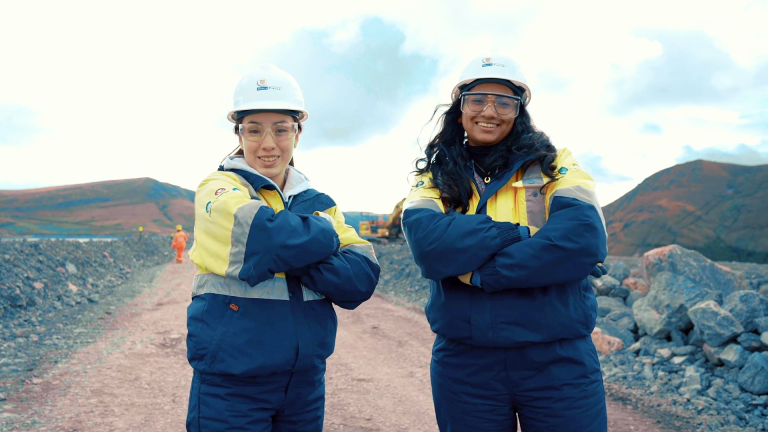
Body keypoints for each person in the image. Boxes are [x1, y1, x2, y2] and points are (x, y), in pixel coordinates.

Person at [403, 55, 610, 432]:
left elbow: (582, 240)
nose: (489, 111)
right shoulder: (435, 176)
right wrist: (517, 234)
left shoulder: (555, 165)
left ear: (519, 111)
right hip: (466, 366)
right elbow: (429, 246)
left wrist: (484, 273)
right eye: (477, 100)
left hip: (558, 362)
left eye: (504, 102)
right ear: (460, 108)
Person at [185, 64, 380, 432]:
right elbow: (264, 238)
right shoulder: (218, 189)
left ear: (297, 132)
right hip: (231, 385)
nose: (268, 143)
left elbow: (360, 279)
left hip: (304, 386)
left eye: (280, 129)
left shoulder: (317, 201)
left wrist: (291, 250)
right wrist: (322, 237)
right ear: (239, 133)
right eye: (254, 129)